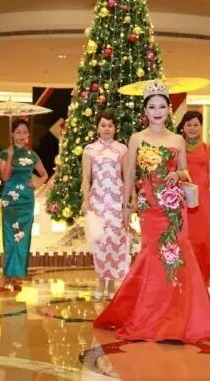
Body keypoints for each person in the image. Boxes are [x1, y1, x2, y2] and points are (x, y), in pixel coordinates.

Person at [93, 80, 210, 343]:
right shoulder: (137, 138)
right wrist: (126, 206)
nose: (157, 111)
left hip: (174, 207)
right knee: (153, 256)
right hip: (150, 208)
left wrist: (177, 174)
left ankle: (179, 316)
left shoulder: (177, 139)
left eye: (162, 106)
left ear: (169, 109)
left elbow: (186, 173)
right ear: (145, 110)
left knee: (179, 257)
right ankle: (150, 315)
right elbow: (129, 174)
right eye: (152, 107)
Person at [81, 111, 129, 300]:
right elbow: (86, 177)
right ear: (97, 127)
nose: (106, 129)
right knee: (100, 241)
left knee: (116, 239)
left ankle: (112, 283)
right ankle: (101, 281)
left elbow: (127, 176)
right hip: (98, 200)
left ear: (115, 128)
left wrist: (128, 201)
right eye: (103, 125)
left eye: (110, 125)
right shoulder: (90, 149)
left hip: (117, 200)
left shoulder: (122, 149)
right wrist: (86, 200)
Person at [0, 118, 48, 292]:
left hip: (26, 199)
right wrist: (11, 157)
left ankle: (17, 276)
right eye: (18, 132)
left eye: (24, 132)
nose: (21, 135)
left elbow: (44, 175)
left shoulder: (32, 155)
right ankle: (5, 276)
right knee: (10, 238)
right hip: (10, 199)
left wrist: (37, 183)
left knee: (22, 238)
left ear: (28, 135)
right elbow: (4, 177)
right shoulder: (4, 154)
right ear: (12, 134)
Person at [176, 110, 210, 283]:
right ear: (183, 126)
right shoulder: (177, 147)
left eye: (196, 124)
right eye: (189, 124)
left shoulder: (208, 149)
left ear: (201, 126)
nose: (192, 128)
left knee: (202, 238)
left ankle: (201, 278)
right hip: (180, 198)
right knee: (183, 236)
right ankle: (183, 277)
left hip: (202, 199)